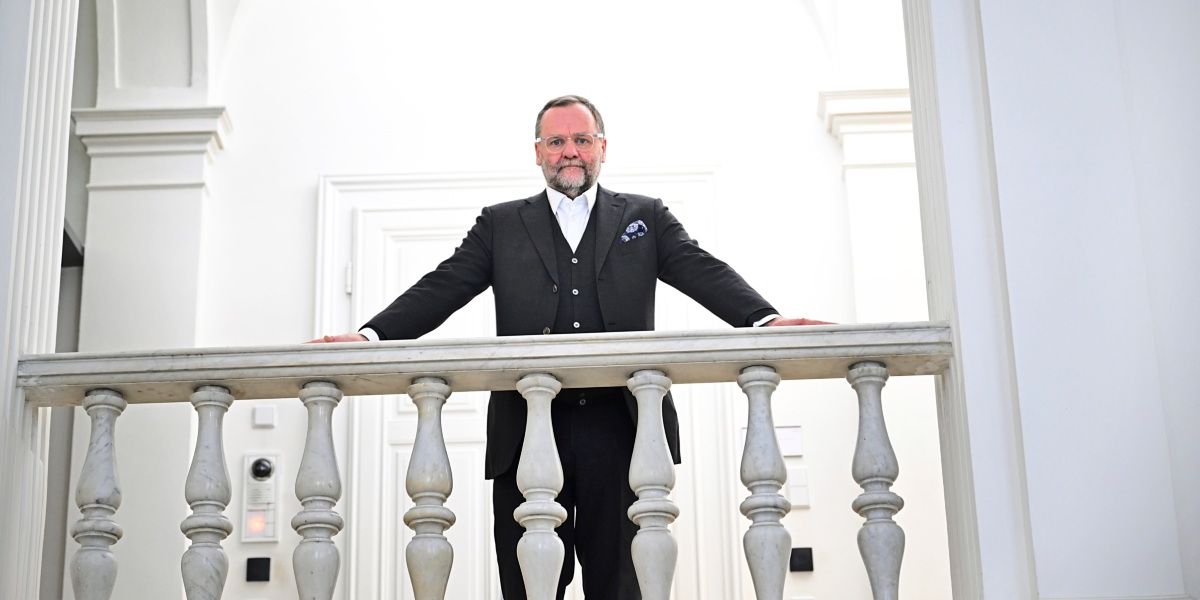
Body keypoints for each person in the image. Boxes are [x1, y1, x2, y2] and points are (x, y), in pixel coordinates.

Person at [312, 94, 828, 599]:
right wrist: (370, 336)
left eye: (582, 139)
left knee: (622, 584)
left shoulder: (645, 216)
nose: (570, 152)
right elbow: (443, 286)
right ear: (538, 152)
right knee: (528, 585)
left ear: (603, 146)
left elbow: (702, 270)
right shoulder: (499, 223)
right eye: (556, 142)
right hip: (526, 432)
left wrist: (766, 319)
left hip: (623, 433)